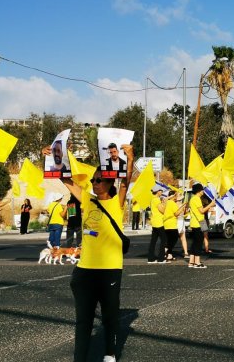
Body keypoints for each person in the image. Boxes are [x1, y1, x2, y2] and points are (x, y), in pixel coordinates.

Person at [46, 143, 134, 362]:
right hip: (84, 272)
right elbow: (66, 180)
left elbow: (126, 180)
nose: (94, 183)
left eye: (99, 179)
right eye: (93, 180)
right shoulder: (87, 199)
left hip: (110, 271)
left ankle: (110, 354)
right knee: (83, 322)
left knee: (110, 318)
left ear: (109, 181)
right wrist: (54, 158)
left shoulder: (117, 202)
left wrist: (130, 158)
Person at [188, 185, 216, 269]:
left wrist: (208, 208)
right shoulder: (196, 199)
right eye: (202, 190)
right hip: (198, 223)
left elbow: (199, 210)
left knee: (194, 243)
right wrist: (210, 204)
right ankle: (197, 262)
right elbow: (201, 211)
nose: (203, 191)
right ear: (199, 191)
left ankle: (191, 262)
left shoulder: (193, 199)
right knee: (198, 243)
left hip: (195, 223)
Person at [163, 189, 187, 262]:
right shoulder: (172, 203)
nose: (177, 197)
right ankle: (165, 250)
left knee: (169, 239)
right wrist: (182, 207)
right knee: (174, 239)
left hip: (166, 223)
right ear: (173, 196)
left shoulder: (167, 202)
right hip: (171, 224)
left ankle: (169, 255)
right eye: (176, 195)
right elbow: (176, 214)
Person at [147, 188, 167, 264]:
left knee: (153, 240)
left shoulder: (152, 199)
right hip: (159, 222)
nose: (161, 192)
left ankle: (151, 258)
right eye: (161, 191)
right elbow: (162, 210)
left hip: (154, 221)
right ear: (157, 192)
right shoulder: (156, 200)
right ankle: (161, 258)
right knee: (164, 239)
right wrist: (164, 203)